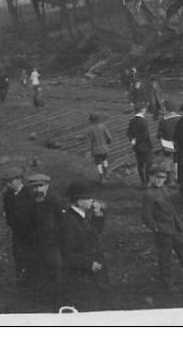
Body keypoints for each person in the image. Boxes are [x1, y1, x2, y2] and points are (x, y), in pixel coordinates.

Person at [141, 165, 183, 290]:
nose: (160, 180)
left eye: (163, 178)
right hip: (163, 231)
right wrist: (156, 228)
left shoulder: (164, 190)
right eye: (158, 177)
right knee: (165, 258)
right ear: (152, 177)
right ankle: (167, 283)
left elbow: (171, 210)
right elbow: (146, 216)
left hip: (174, 229)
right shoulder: (149, 195)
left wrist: (178, 223)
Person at [59, 181, 108, 310]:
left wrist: (98, 214)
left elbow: (94, 234)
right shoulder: (70, 222)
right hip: (79, 276)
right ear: (79, 201)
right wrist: (89, 264)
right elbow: (67, 253)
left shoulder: (81, 216)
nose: (93, 201)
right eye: (89, 198)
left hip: (89, 272)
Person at [24, 173, 65, 304]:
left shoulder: (55, 201)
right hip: (36, 243)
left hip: (53, 243)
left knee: (55, 270)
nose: (38, 190)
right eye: (35, 188)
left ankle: (58, 299)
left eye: (41, 186)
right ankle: (41, 300)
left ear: (47, 186)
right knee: (39, 271)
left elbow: (63, 223)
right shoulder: (30, 202)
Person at [1, 167, 35, 285]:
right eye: (7, 182)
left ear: (19, 180)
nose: (9, 184)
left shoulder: (30, 194)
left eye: (11, 181)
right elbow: (8, 214)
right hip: (17, 233)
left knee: (32, 256)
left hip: (31, 233)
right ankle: (21, 280)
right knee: (18, 255)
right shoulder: (8, 196)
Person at [127, 102, 153, 186]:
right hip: (145, 146)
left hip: (136, 146)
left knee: (140, 164)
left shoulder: (132, 121)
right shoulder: (144, 121)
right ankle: (147, 180)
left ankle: (142, 181)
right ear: (142, 110)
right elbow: (145, 134)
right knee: (148, 163)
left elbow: (128, 133)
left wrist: (132, 140)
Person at [156, 99, 180, 180]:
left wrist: (160, 138)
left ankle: (168, 176)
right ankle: (177, 176)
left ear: (166, 109)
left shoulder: (163, 120)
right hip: (178, 141)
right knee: (177, 159)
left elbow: (159, 133)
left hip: (167, 141)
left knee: (167, 158)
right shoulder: (180, 119)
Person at [85, 113, 112, 184]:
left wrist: (89, 150)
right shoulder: (102, 126)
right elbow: (109, 137)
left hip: (96, 149)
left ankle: (101, 178)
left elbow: (89, 140)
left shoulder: (89, 129)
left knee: (98, 164)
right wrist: (108, 142)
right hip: (104, 147)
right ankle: (106, 173)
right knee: (105, 160)